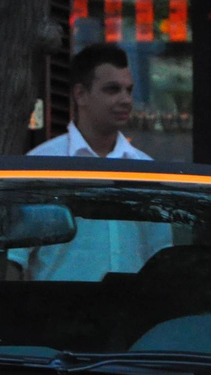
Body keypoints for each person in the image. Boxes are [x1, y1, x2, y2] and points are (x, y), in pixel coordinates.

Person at [14, 44, 169, 281]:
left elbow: (160, 258)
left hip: (132, 314)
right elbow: (14, 259)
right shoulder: (41, 164)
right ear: (80, 95)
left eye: (129, 90)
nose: (126, 99)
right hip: (57, 315)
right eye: (112, 89)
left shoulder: (146, 169)